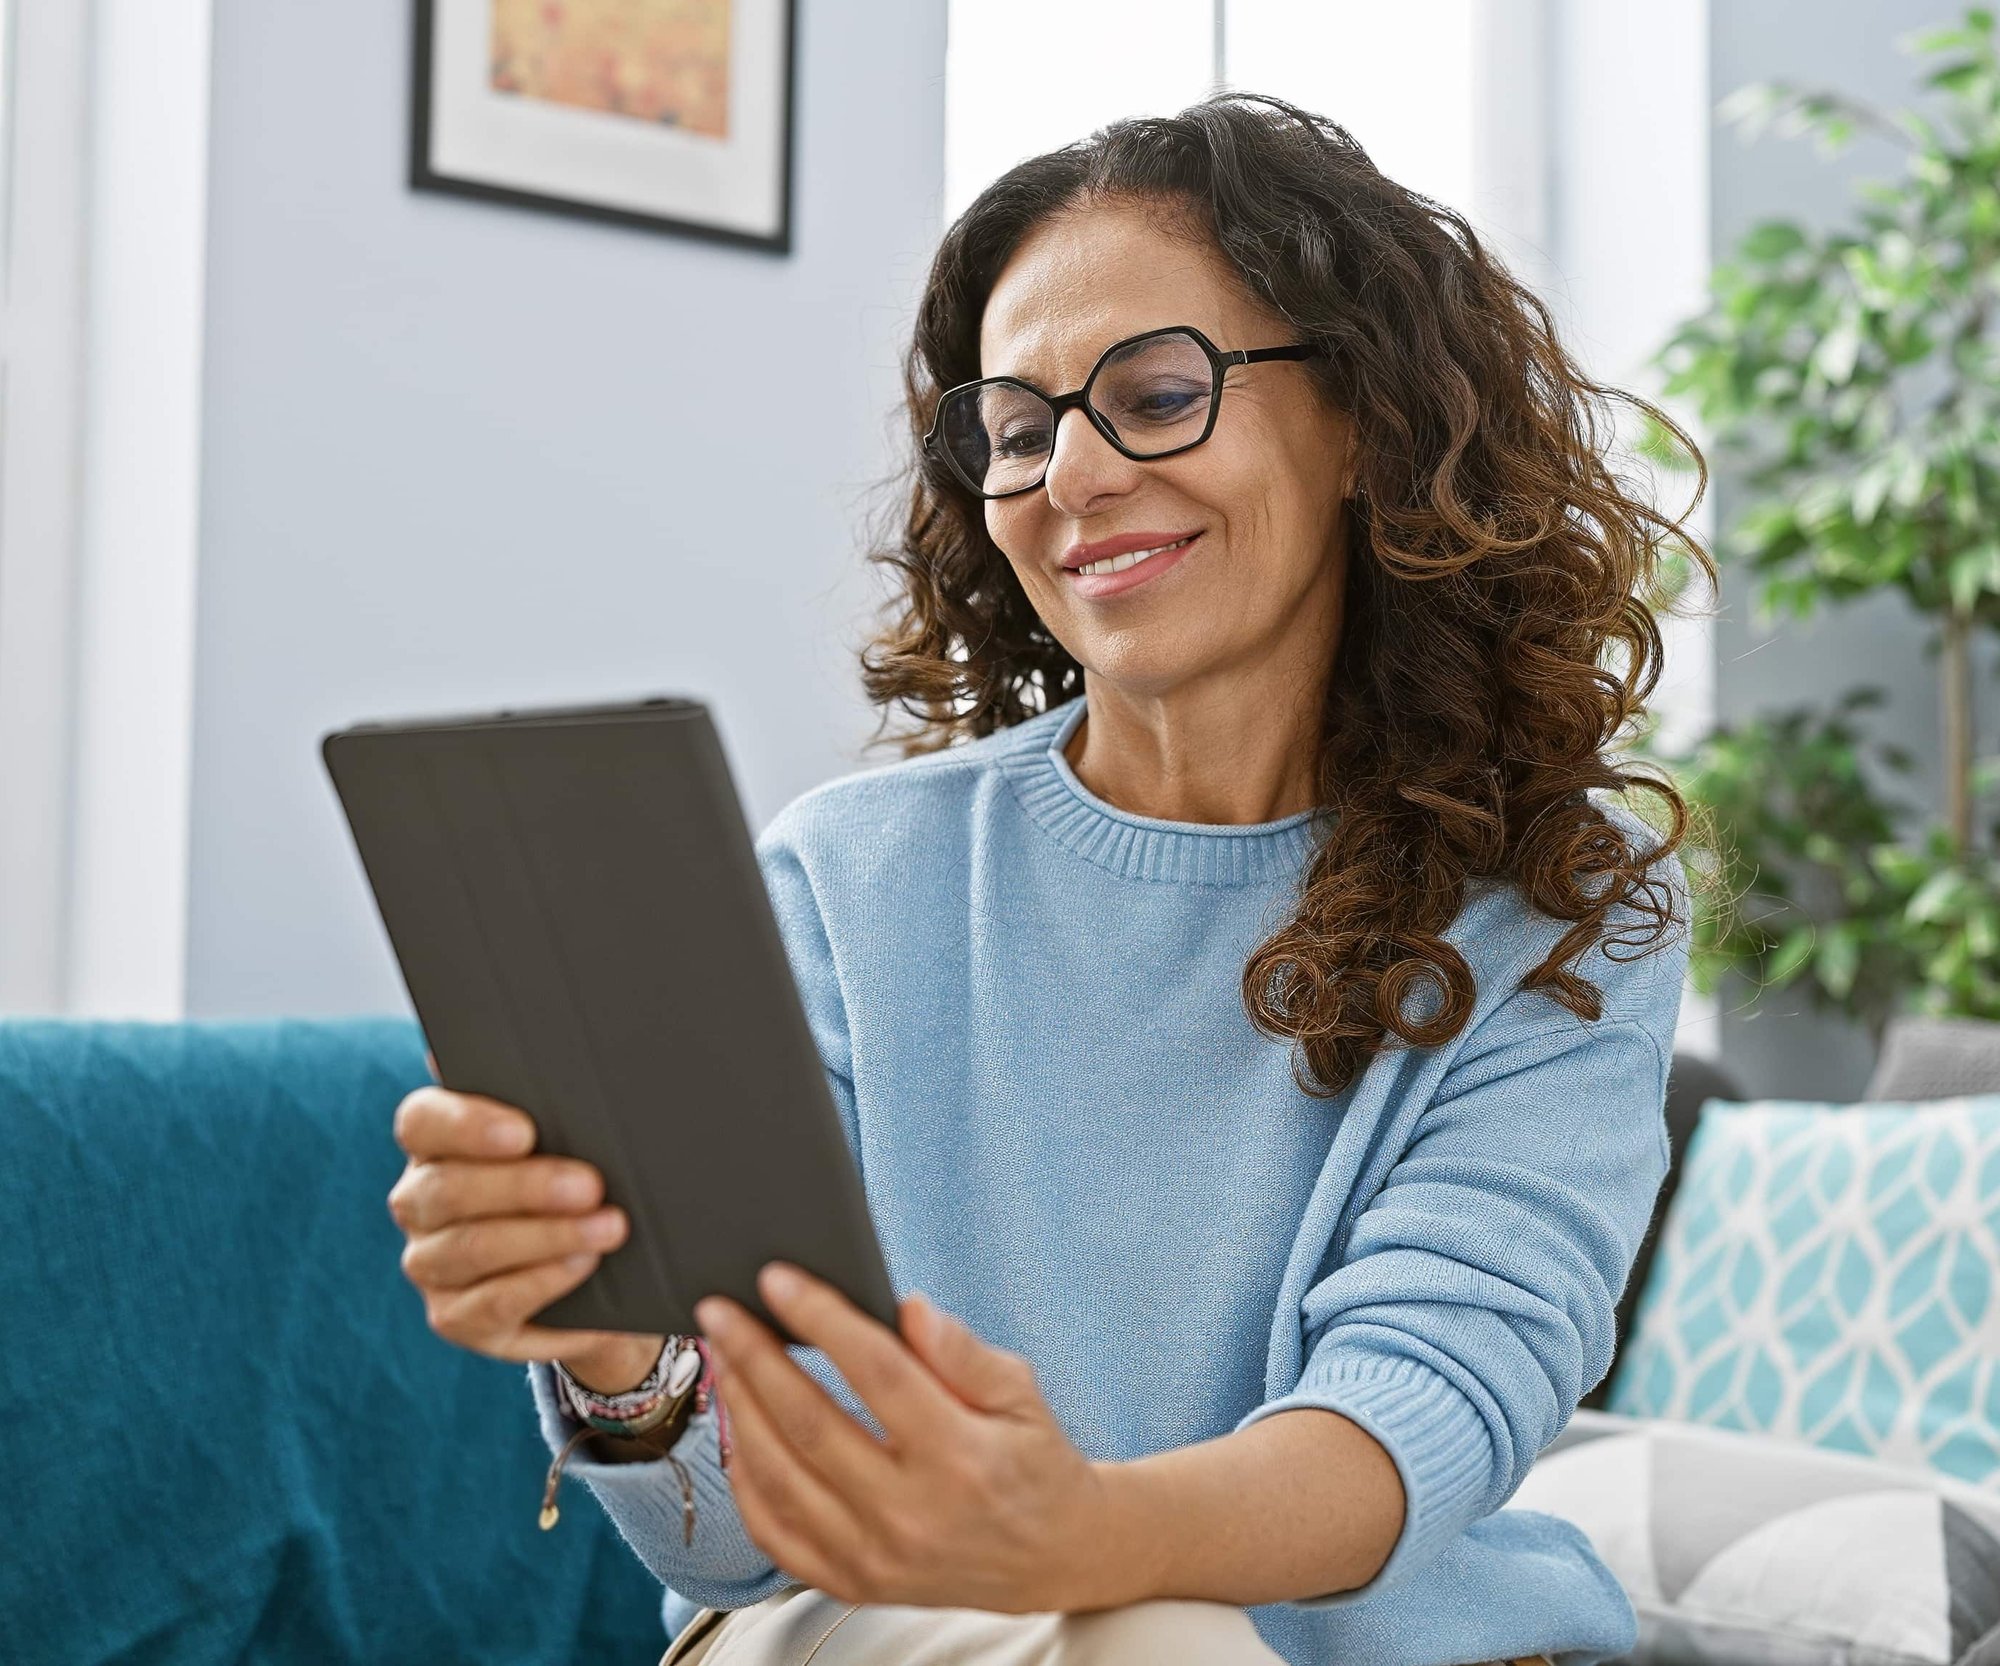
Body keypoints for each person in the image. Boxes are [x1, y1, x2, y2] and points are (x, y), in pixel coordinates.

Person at [387, 91, 1714, 1666]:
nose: (1070, 477)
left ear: (1365, 422)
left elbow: (1432, 1398)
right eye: (1017, 429)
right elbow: (741, 1542)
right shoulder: (855, 879)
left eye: (1157, 393)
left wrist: (1085, 1528)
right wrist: (622, 1352)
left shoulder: (1558, 907)